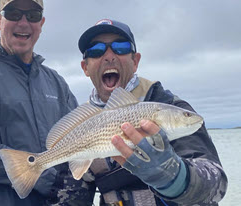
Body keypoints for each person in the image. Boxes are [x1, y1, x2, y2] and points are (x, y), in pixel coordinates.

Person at [54, 19, 228, 206]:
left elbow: (216, 183)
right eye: (96, 50)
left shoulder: (168, 106)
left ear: (135, 61)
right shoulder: (79, 127)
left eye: (120, 47)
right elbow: (69, 197)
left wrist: (174, 178)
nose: (109, 56)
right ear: (85, 67)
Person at [0, 0, 90, 205]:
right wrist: (50, 180)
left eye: (33, 15)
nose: (24, 22)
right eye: (14, 13)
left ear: (42, 23)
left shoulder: (56, 83)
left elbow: (81, 138)